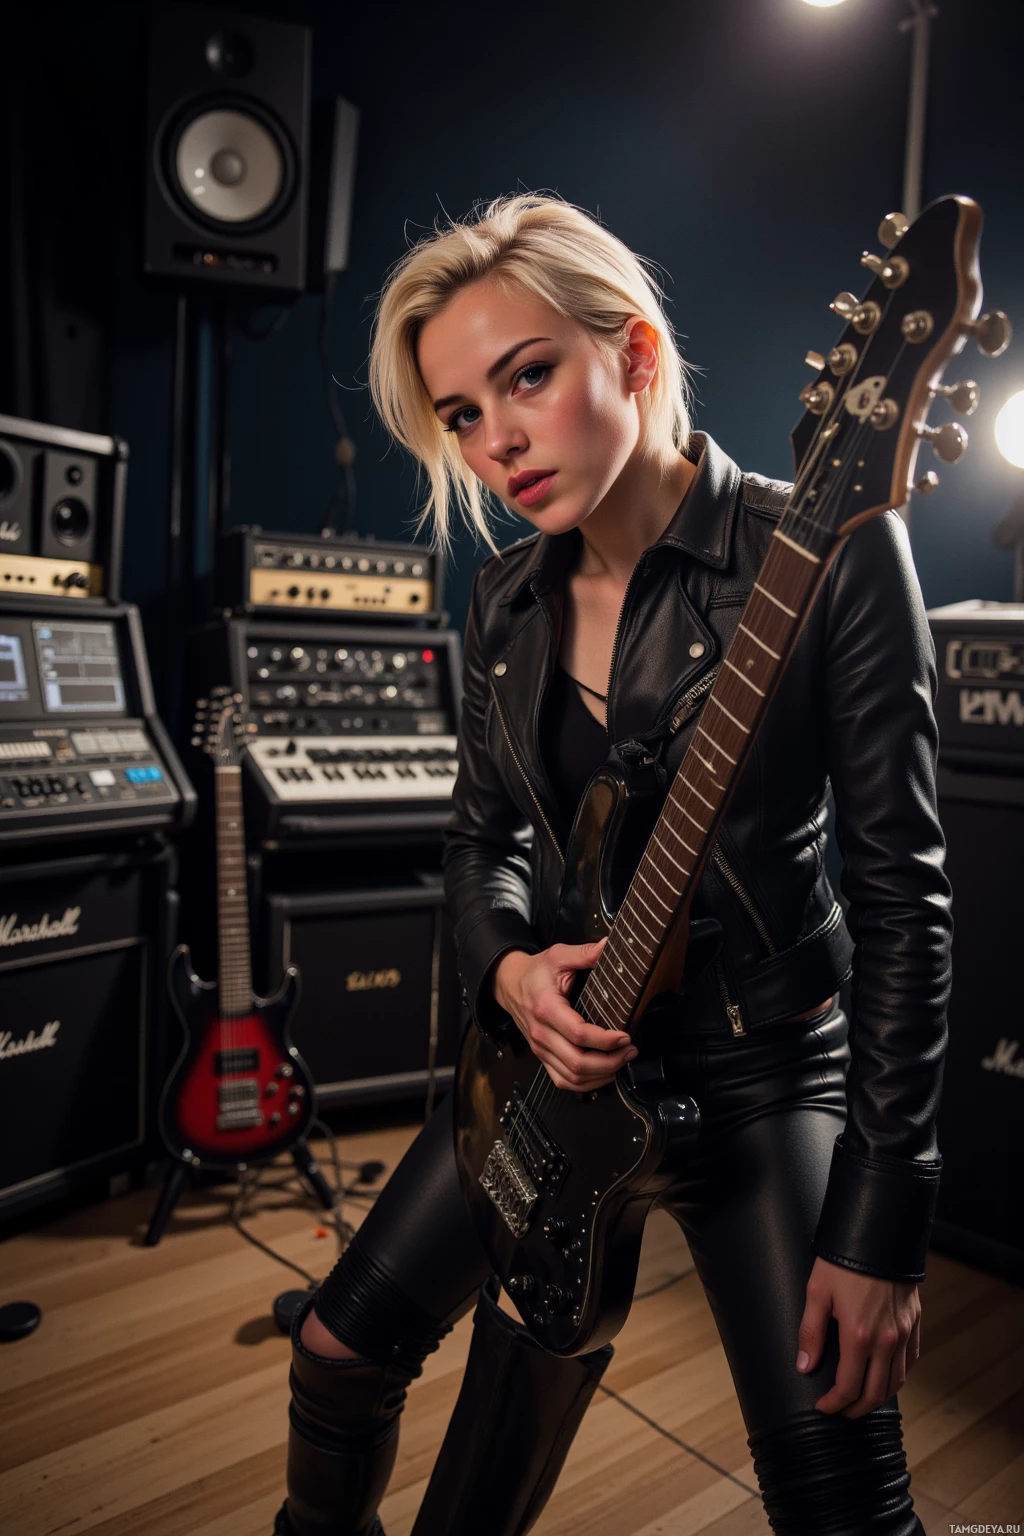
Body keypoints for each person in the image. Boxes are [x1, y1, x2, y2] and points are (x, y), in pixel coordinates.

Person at [275, 194, 951, 1536]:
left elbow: (905, 906)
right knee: (336, 1350)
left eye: (527, 376)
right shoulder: (508, 599)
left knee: (843, 1500)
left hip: (770, 1080)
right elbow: (481, 842)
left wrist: (881, 1222)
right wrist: (513, 971)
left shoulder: (831, 554)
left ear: (634, 354)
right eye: (462, 413)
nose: (497, 439)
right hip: (564, 1059)